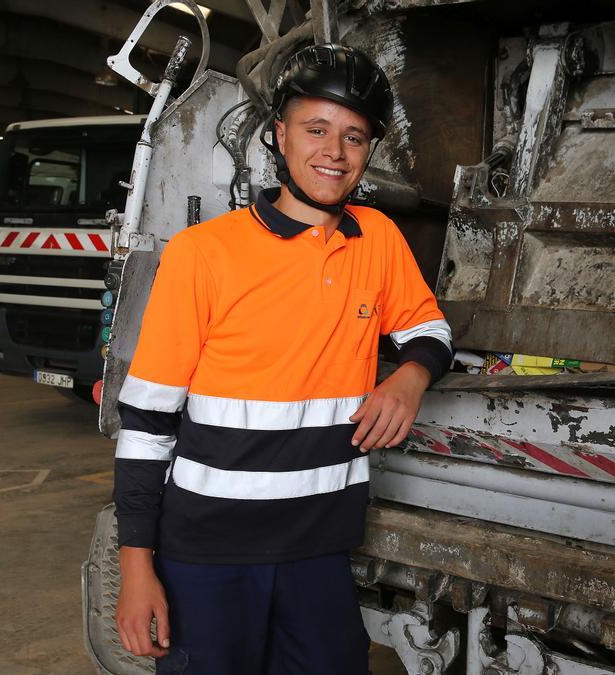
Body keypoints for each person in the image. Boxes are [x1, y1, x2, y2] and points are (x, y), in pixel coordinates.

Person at [112, 43, 453, 674]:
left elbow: (429, 328)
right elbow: (146, 423)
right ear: (279, 135)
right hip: (207, 555)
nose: (334, 152)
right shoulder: (203, 254)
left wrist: (411, 375)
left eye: (354, 137)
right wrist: (136, 566)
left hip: (320, 550)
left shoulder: (377, 238)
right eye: (316, 129)